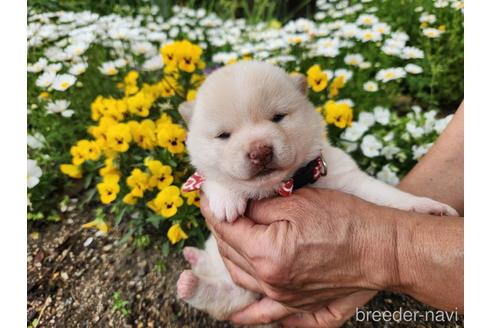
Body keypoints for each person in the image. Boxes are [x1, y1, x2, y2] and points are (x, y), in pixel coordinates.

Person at [201, 103, 464, 327]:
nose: (259, 149)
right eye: (225, 133)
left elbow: (358, 186)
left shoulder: (324, 161)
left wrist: (392, 249)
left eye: (278, 118)